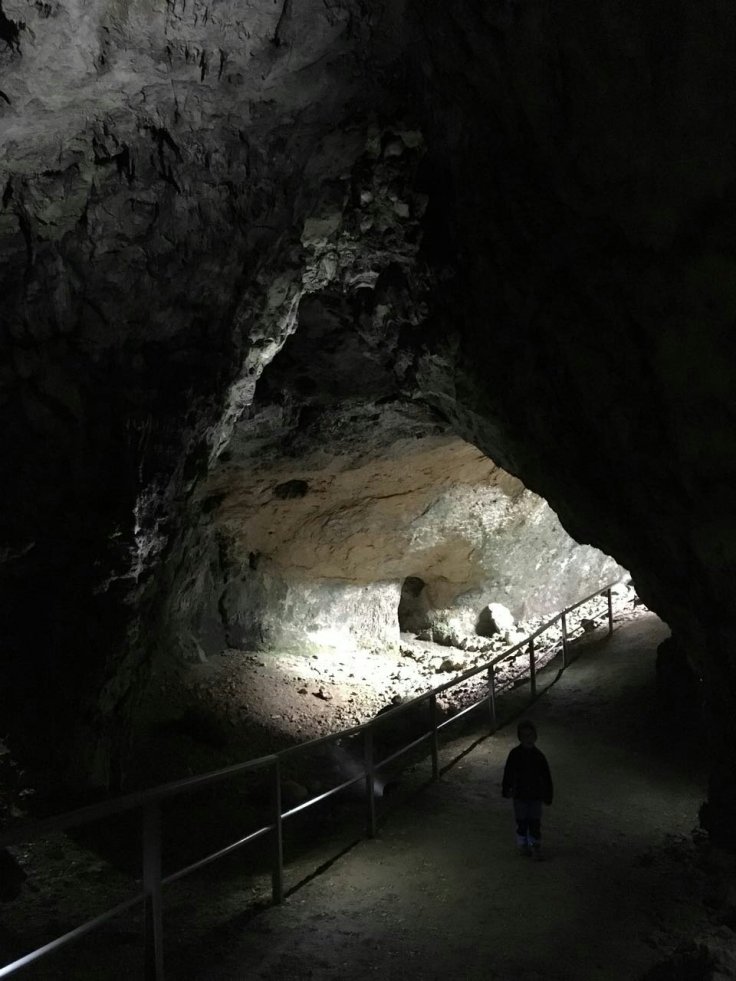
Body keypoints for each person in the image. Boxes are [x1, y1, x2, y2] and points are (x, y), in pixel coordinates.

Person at [502, 719, 553, 860]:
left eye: (530, 735)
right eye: (524, 736)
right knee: (522, 822)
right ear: (520, 737)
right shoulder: (515, 755)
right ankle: (523, 844)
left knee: (535, 822)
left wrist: (547, 794)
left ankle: (535, 846)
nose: (528, 739)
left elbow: (546, 777)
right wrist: (507, 788)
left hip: (535, 795)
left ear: (535, 736)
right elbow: (508, 773)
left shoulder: (539, 757)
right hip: (520, 795)